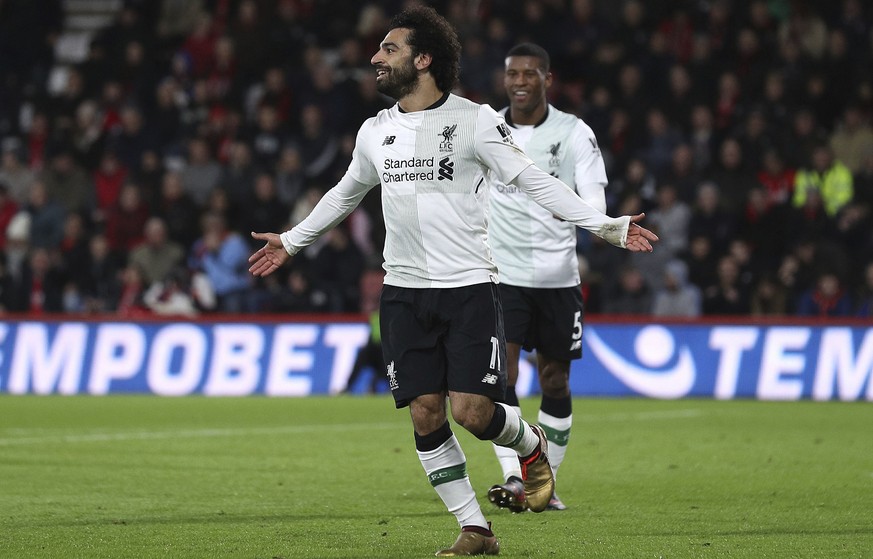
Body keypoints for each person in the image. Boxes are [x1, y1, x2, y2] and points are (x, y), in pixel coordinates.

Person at [247, 7, 658, 556]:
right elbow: (347, 192)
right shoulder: (376, 131)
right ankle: (475, 528)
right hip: (402, 292)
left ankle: (530, 442)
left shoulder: (475, 121)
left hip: (468, 288)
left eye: (389, 50)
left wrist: (605, 226)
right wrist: (294, 239)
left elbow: (534, 181)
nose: (375, 58)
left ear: (423, 60)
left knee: (473, 412)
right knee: (424, 411)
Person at [485, 42, 609, 514]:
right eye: (512, 73)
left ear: (547, 79)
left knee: (554, 380)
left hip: (558, 277)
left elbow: (594, 197)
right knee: (504, 376)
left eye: (529, 73)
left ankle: (547, 483)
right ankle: (518, 479)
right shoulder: (487, 129)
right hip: (502, 275)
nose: (519, 81)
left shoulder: (575, 132)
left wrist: (596, 221)